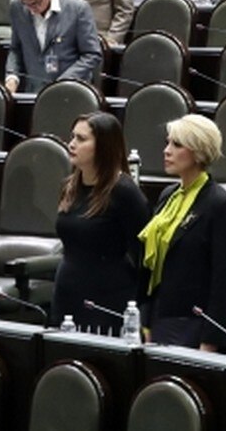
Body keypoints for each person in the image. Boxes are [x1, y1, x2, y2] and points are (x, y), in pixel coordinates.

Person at [138, 114, 226, 350]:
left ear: (198, 151)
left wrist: (210, 340)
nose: (166, 150)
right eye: (167, 142)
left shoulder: (220, 204)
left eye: (176, 144)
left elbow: (223, 281)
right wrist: (145, 319)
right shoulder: (168, 196)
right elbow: (152, 266)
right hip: (157, 317)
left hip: (193, 324)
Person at [51, 112, 150, 333]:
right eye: (72, 137)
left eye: (81, 139)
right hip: (66, 296)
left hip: (106, 302)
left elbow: (144, 257)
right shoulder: (70, 186)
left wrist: (142, 312)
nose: (71, 144)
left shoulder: (124, 192)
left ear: (103, 146)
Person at [5, 0, 102, 93]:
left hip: (70, 91)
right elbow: (15, 48)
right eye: (26, 4)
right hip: (32, 90)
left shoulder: (78, 9)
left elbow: (92, 54)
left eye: (35, 3)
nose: (30, 9)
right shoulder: (16, 6)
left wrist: (64, 82)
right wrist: (12, 76)